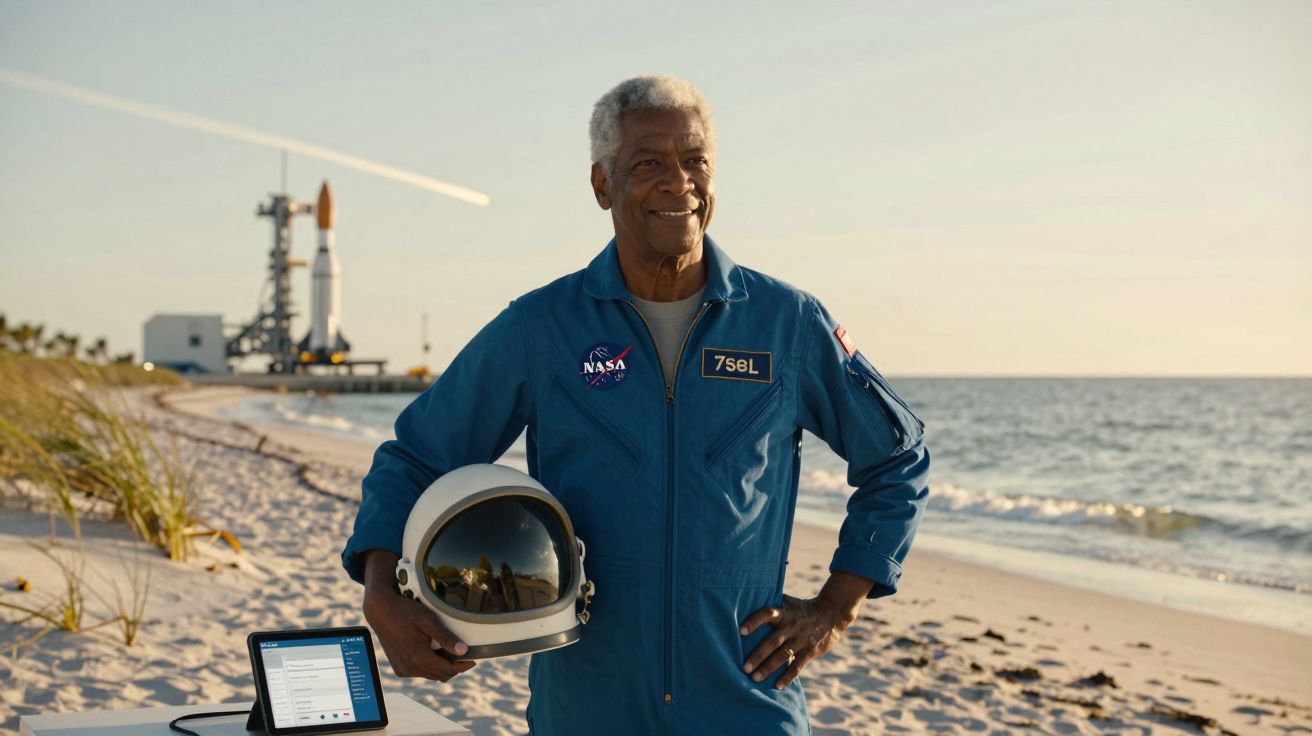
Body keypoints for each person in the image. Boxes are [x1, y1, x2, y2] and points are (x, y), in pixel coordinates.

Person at [342, 74, 930, 734]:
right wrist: (379, 592)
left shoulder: (785, 323)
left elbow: (898, 458)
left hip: (745, 702)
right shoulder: (541, 328)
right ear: (601, 185)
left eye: (694, 161)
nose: (678, 183)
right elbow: (418, 455)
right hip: (588, 702)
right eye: (648, 163)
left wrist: (835, 608)